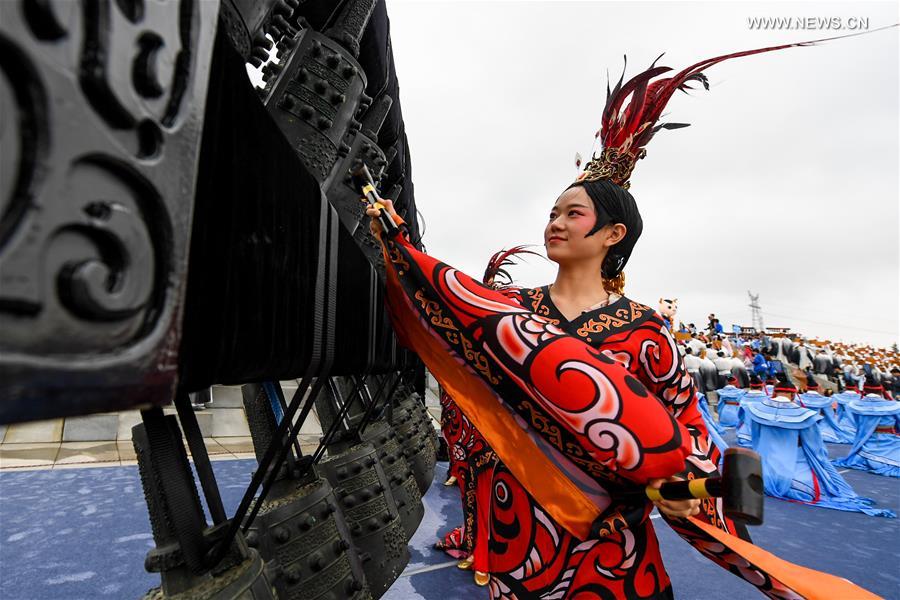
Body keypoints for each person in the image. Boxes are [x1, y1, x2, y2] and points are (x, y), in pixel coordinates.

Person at [366, 38, 883, 600]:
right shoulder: (512, 309)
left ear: (613, 235)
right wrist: (397, 246)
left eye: (573, 213)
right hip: (519, 520)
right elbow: (447, 309)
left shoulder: (645, 329)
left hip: (611, 537)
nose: (555, 223)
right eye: (552, 213)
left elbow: (684, 426)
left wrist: (687, 486)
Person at [744, 378, 894, 517]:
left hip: (765, 468)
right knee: (819, 487)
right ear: (793, 395)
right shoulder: (804, 415)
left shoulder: (757, 410)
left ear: (775, 391)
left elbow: (755, 439)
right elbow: (816, 449)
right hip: (795, 464)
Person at [834, 382, 900, 477]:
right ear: (881, 390)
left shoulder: (856, 405)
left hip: (867, 444)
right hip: (889, 439)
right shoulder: (893, 405)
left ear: (864, 390)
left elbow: (854, 422)